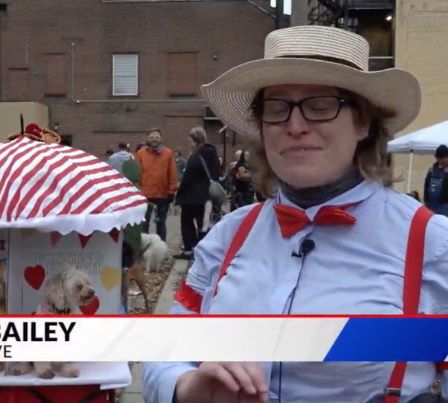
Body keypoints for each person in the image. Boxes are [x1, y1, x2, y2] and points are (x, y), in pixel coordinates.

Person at [143, 25, 448, 403]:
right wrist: (187, 387)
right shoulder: (228, 236)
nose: (296, 125)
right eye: (277, 108)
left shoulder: (433, 243)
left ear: (363, 122)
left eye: (321, 105)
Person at [174, 127, 218, 260]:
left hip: (190, 197)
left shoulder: (195, 155)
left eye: (190, 141)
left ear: (196, 141)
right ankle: (203, 249)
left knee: (186, 222)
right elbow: (216, 173)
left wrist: (179, 193)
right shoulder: (213, 154)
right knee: (203, 224)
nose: (189, 144)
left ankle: (189, 250)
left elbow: (188, 178)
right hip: (207, 195)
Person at [136, 129, 178, 242]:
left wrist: (171, 191)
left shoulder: (168, 153)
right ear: (147, 138)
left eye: (157, 137)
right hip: (145, 195)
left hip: (162, 195)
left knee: (161, 224)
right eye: (151, 137)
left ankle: (161, 248)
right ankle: (142, 247)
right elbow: (137, 174)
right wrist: (136, 191)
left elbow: (172, 173)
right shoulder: (140, 154)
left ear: (161, 138)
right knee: (144, 224)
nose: (154, 139)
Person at [423, 144, 448, 216]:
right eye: (438, 158)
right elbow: (426, 185)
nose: (439, 160)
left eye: (442, 158)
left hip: (444, 205)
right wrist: (426, 200)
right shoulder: (431, 169)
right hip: (430, 205)